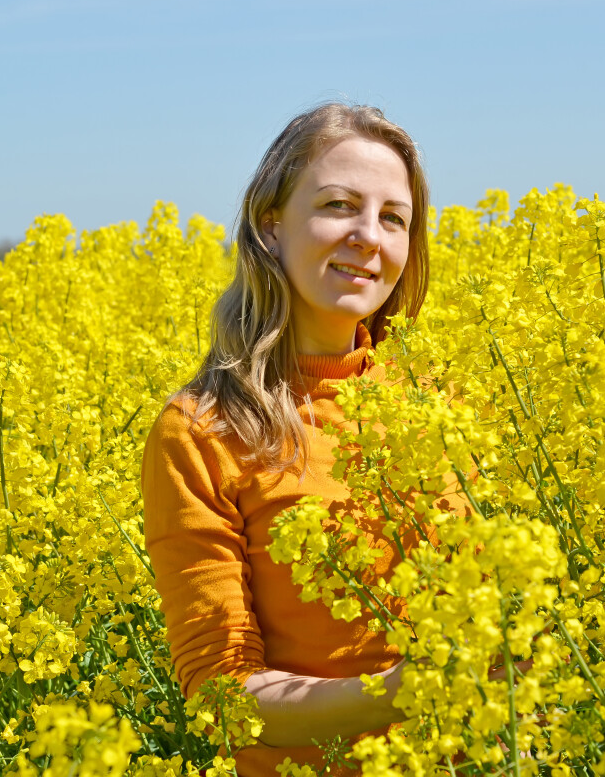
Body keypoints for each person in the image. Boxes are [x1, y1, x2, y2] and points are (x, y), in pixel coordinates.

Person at [141, 102, 467, 776]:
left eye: (393, 218)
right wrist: (404, 695)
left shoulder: (444, 402)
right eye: (339, 206)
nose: (369, 237)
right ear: (270, 227)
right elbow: (222, 696)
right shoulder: (202, 432)